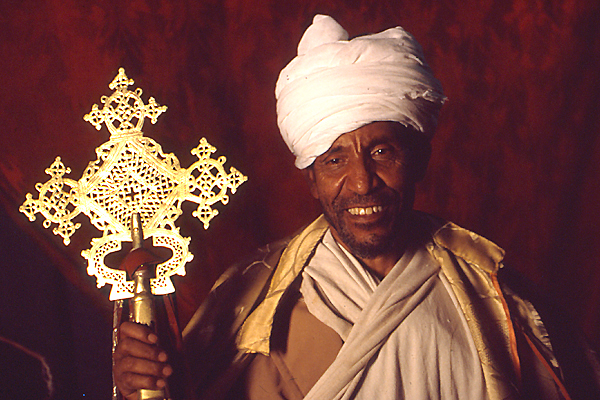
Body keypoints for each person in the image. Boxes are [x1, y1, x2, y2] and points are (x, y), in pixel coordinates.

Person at [113, 14, 600, 400]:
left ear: (416, 159)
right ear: (312, 179)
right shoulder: (252, 302)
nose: (362, 181)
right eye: (334, 160)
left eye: (381, 152)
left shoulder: (490, 289)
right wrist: (149, 384)